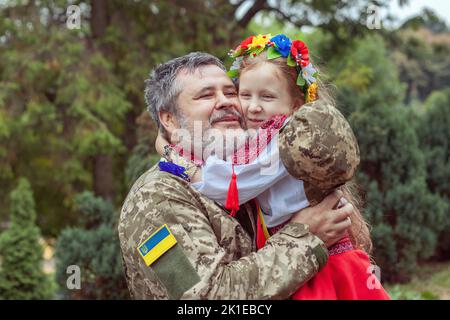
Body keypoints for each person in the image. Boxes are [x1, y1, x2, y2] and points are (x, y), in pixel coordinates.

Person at [156, 34, 390, 299]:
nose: (252, 107)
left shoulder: (285, 141)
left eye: (266, 97)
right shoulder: (256, 138)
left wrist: (180, 162)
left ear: (295, 105)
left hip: (322, 268)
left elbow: (231, 184)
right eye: (244, 94)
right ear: (168, 117)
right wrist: (170, 142)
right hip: (300, 262)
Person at [118, 52, 354, 299]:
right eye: (206, 95)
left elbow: (337, 151)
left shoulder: (253, 169)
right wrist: (306, 238)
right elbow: (203, 298)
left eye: (231, 93)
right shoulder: (157, 198)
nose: (226, 102)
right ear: (169, 119)